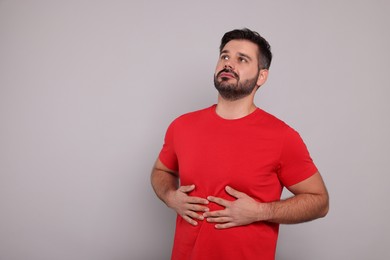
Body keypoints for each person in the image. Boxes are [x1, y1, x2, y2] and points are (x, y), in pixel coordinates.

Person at [151, 28, 329, 260]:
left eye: (241, 59)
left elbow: (319, 201)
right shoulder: (182, 126)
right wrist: (170, 196)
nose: (228, 64)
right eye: (225, 56)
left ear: (261, 76)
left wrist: (260, 212)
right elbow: (161, 170)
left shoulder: (282, 137)